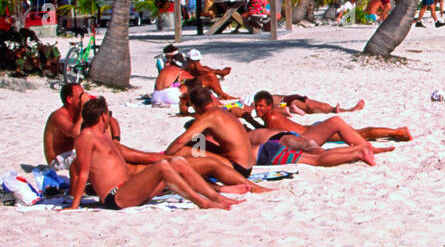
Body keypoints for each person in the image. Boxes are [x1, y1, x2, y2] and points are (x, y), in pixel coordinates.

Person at [66, 97, 239, 211]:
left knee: (177, 163)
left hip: (130, 189)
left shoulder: (103, 136)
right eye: (109, 114)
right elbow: (84, 172)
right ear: (103, 116)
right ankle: (203, 203)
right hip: (115, 197)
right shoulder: (86, 136)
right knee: (162, 167)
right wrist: (74, 206)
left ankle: (216, 197)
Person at [250, 91, 410, 149]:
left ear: (270, 106)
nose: (259, 109)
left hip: (313, 134)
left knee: (363, 133)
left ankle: (397, 131)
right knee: (360, 132)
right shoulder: (272, 114)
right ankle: (395, 132)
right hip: (312, 128)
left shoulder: (271, 118)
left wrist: (249, 124)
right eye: (257, 107)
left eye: (262, 106)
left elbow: (268, 136)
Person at [44, 82, 120, 167]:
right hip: (58, 161)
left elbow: (111, 120)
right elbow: (75, 133)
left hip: (73, 154)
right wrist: (83, 108)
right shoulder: (58, 116)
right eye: (81, 96)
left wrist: (116, 140)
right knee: (99, 156)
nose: (84, 98)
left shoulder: (78, 113)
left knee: (102, 123)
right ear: (70, 99)